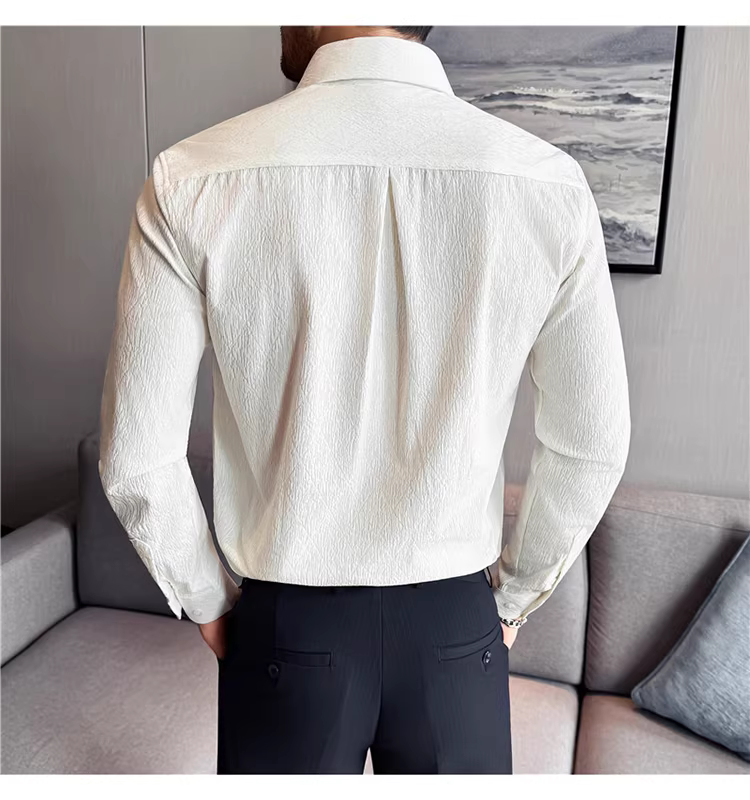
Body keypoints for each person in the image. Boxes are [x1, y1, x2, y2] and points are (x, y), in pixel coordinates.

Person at [98, 25, 631, 775]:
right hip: (456, 625)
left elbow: (137, 457)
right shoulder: (546, 183)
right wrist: (512, 598)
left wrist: (208, 601)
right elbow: (592, 443)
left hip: (287, 625)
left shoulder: (193, 178)